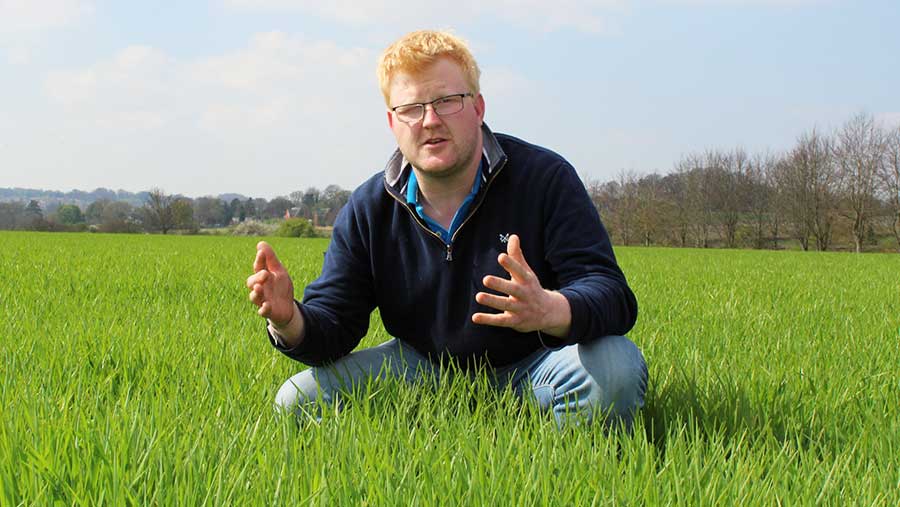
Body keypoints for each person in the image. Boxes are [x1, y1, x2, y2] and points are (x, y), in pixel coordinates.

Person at [246, 30, 647, 428]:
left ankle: (552, 466)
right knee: (296, 401)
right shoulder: (370, 207)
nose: (430, 121)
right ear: (392, 121)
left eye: (447, 101)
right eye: (412, 108)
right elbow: (335, 323)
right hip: (423, 369)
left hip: (535, 367)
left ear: (478, 108)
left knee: (616, 370)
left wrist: (548, 309)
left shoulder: (545, 179)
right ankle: (414, 460)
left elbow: (610, 293)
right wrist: (288, 320)